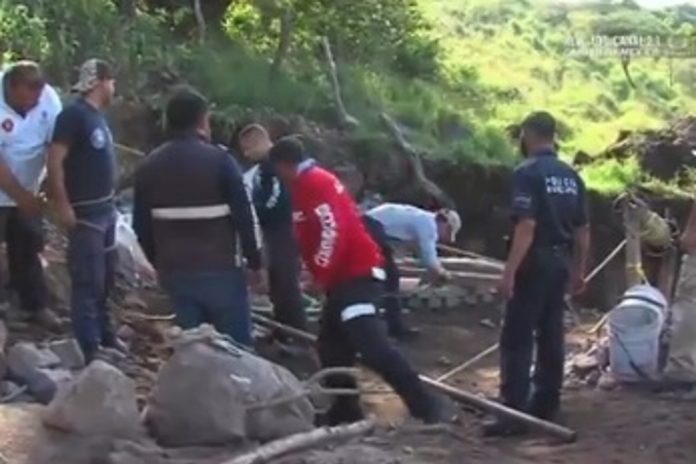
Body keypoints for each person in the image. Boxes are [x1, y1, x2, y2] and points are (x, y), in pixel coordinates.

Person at [269, 136, 442, 426]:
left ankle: (426, 406)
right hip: (342, 279)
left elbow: (330, 231)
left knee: (372, 344)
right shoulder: (308, 184)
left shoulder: (314, 184)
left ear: (284, 165)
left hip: (356, 277)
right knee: (331, 346)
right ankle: (345, 410)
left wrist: (319, 274)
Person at [484, 111, 589, 436]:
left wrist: (509, 273)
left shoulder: (527, 173)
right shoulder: (571, 176)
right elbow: (583, 230)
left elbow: (526, 226)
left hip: (534, 263)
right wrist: (579, 270)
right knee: (551, 333)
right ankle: (546, 403)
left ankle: (512, 411)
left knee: (517, 337)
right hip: (560, 262)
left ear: (529, 134)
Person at [132, 87, 262, 347]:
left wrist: (159, 263)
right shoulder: (221, 161)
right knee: (237, 351)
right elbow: (244, 217)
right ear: (202, 121)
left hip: (176, 271)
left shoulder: (148, 167)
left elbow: (140, 226)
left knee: (193, 348)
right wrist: (255, 262)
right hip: (221, 270)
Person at [47, 59, 123, 362]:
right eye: (112, 81)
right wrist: (62, 204)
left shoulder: (97, 117)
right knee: (87, 280)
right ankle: (89, 346)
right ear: (101, 81)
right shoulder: (73, 115)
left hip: (106, 209)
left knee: (106, 279)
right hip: (85, 213)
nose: (114, 88)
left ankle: (106, 335)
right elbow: (55, 161)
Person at [0, 61, 63, 328]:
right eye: (25, 101)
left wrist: (50, 185)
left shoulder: (48, 99)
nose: (30, 107)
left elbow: (56, 146)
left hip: (31, 184)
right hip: (8, 184)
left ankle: (34, 305)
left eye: (35, 102)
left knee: (28, 244)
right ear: (10, 87)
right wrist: (20, 196)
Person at [239, 124, 307, 331]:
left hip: (283, 228)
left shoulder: (276, 165)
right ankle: (282, 328)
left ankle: (297, 330)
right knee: (276, 283)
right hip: (270, 231)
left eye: (248, 148)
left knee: (286, 283)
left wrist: (257, 211)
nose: (246, 154)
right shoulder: (259, 170)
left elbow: (277, 196)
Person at [364, 203, 461, 340]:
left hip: (370, 224)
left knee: (388, 277)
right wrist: (441, 273)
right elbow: (428, 258)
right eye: (448, 232)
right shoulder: (429, 225)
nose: (444, 238)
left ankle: (388, 324)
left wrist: (434, 271)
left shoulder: (422, 219)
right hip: (371, 226)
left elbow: (418, 252)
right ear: (445, 224)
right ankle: (393, 328)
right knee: (390, 278)